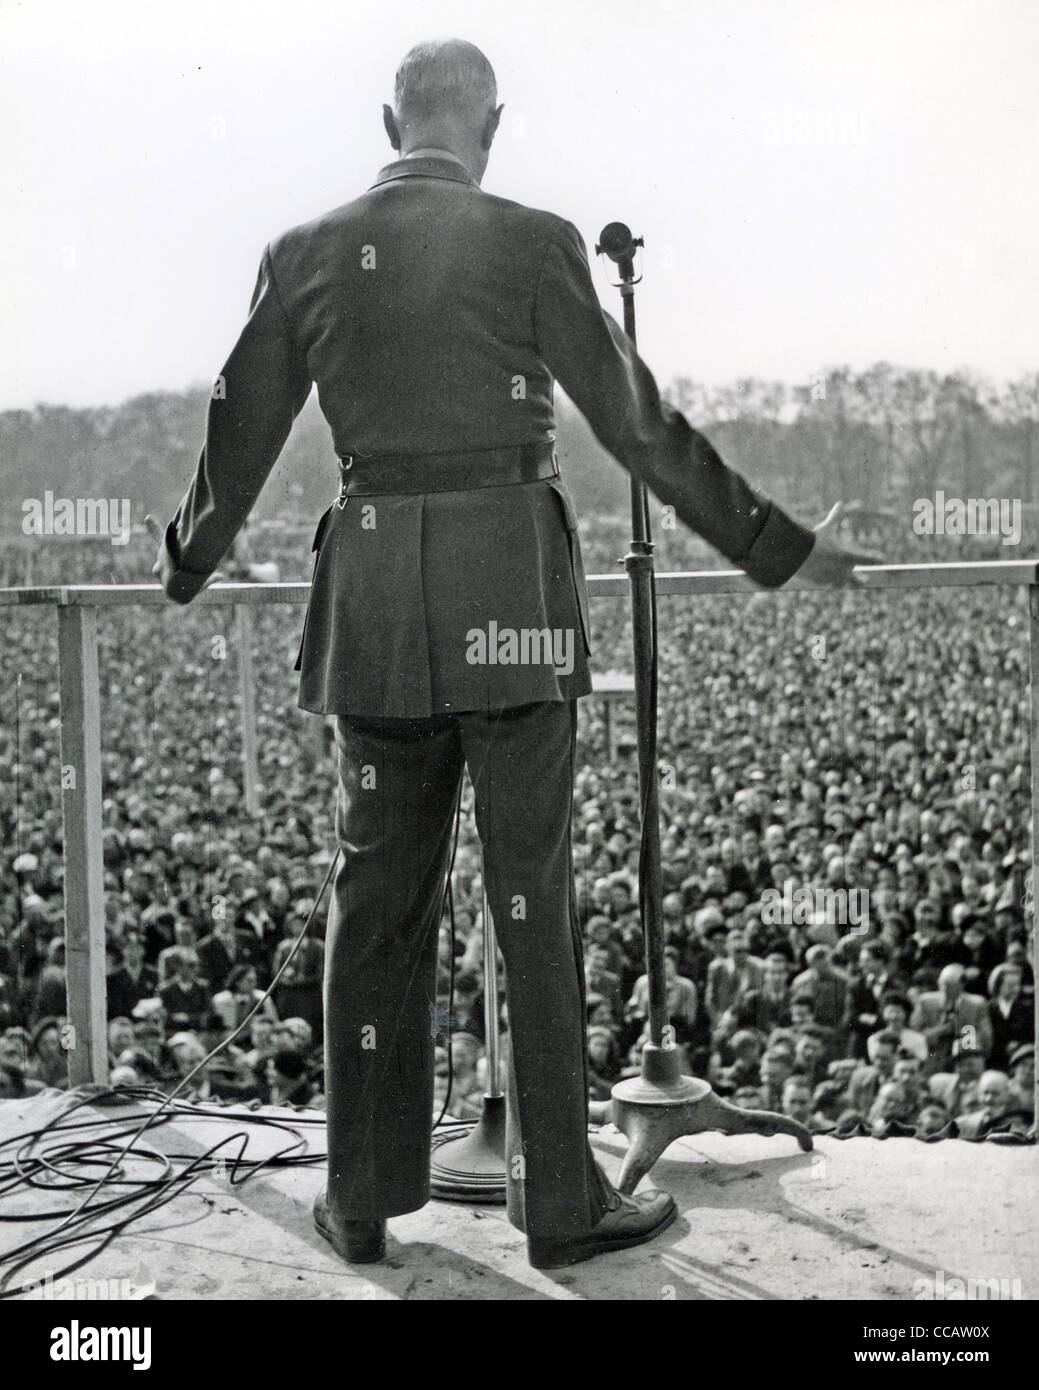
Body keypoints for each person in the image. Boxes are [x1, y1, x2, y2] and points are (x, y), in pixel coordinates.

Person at [153, 38, 871, 1269]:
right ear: (495, 126)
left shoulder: (306, 250)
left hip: (376, 608)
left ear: (390, 121)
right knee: (530, 901)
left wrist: (184, 562)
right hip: (515, 608)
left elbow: (240, 433)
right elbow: (637, 424)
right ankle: (560, 1205)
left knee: (374, 900)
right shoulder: (534, 240)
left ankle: (364, 1198)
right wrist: (775, 543)